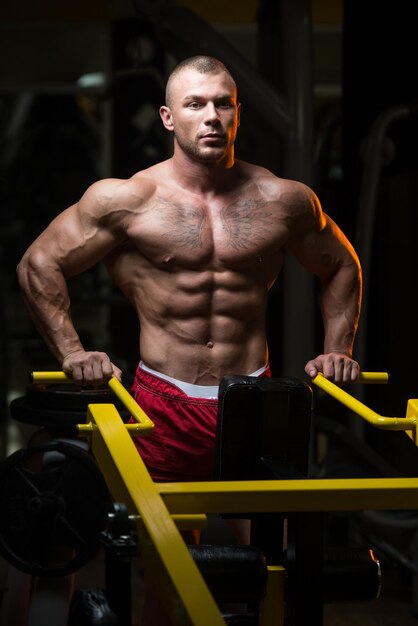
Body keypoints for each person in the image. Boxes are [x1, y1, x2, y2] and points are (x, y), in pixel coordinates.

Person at [16, 55, 362, 624]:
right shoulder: (125, 201)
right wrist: (73, 354)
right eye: (195, 104)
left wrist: (338, 349)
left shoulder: (283, 200)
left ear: (237, 113)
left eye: (222, 103)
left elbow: (342, 266)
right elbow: (39, 265)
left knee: (271, 575)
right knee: (169, 583)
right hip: (163, 406)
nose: (211, 117)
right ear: (167, 117)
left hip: (253, 403)